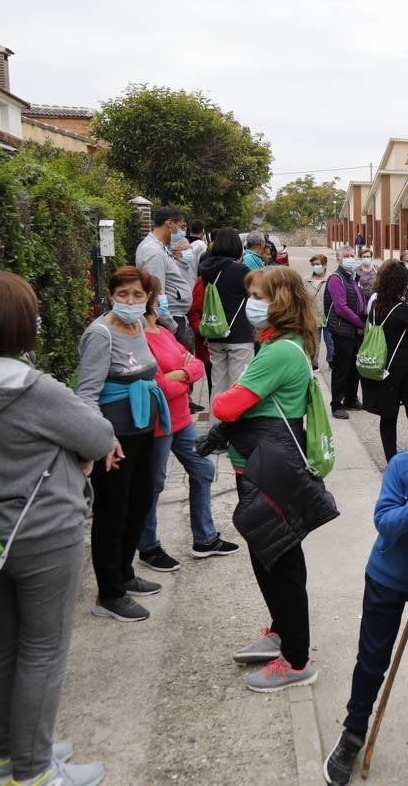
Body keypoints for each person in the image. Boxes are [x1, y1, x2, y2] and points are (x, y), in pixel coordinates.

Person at [0, 274, 116, 786]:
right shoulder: (33, 388)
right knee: (43, 651)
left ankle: (2, 759)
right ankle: (35, 773)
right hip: (45, 533)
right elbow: (98, 436)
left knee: (6, 644)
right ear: (18, 326)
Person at [321, 387, 408, 783]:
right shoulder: (402, 466)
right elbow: (384, 521)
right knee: (372, 659)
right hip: (386, 579)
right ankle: (353, 732)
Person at [210, 264, 338, 692]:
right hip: (260, 463)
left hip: (268, 466)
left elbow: (226, 407)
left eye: (259, 295)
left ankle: (297, 660)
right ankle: (282, 632)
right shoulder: (277, 344)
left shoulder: (281, 351)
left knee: (279, 560)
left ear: (281, 301)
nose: (252, 303)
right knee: (270, 554)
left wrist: (230, 396)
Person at [74, 267, 167, 622]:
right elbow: (87, 394)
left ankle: (124, 574)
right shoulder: (100, 334)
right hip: (115, 440)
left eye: (137, 296)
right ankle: (108, 594)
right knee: (112, 514)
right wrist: (105, 437)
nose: (130, 301)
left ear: (147, 298)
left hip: (143, 432)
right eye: (122, 294)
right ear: (111, 295)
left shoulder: (139, 325)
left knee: (139, 504)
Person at [137, 278, 239, 574]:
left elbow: (194, 366)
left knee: (203, 469)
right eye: (160, 297)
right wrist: (183, 377)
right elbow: (157, 386)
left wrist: (179, 375)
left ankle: (204, 538)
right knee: (154, 483)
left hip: (181, 418)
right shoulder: (139, 338)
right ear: (153, 301)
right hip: (158, 422)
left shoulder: (164, 333)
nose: (165, 301)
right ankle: (148, 546)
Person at [363, 259, 408, 461]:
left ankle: (391, 458)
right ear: (401, 283)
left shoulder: (375, 306)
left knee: (388, 416)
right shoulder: (404, 309)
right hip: (404, 367)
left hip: (383, 366)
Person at [198, 228, 258, 397]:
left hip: (215, 332)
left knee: (218, 385)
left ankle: (216, 422)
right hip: (239, 333)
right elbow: (255, 296)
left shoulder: (205, 269)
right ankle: (236, 424)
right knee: (240, 386)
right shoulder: (241, 271)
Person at [327, 247, 367, 418]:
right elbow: (341, 308)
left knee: (354, 367)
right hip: (343, 329)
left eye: (352, 256)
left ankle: (351, 399)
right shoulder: (336, 279)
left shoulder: (353, 278)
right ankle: (337, 404)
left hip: (356, 330)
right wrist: (360, 323)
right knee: (341, 368)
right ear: (338, 260)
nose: (350, 259)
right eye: (346, 256)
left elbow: (360, 300)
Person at [136, 206, 188, 338]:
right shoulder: (154, 252)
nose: (183, 232)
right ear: (169, 223)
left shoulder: (159, 247)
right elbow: (156, 294)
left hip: (171, 318)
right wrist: (172, 326)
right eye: (181, 227)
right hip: (169, 321)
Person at [306, 253, 330, 369]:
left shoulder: (331, 279)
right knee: (314, 343)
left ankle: (332, 362)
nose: (316, 267)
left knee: (331, 342)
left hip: (328, 317)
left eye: (318, 264)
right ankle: (314, 364)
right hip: (313, 317)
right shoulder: (306, 281)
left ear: (325, 265)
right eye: (314, 264)